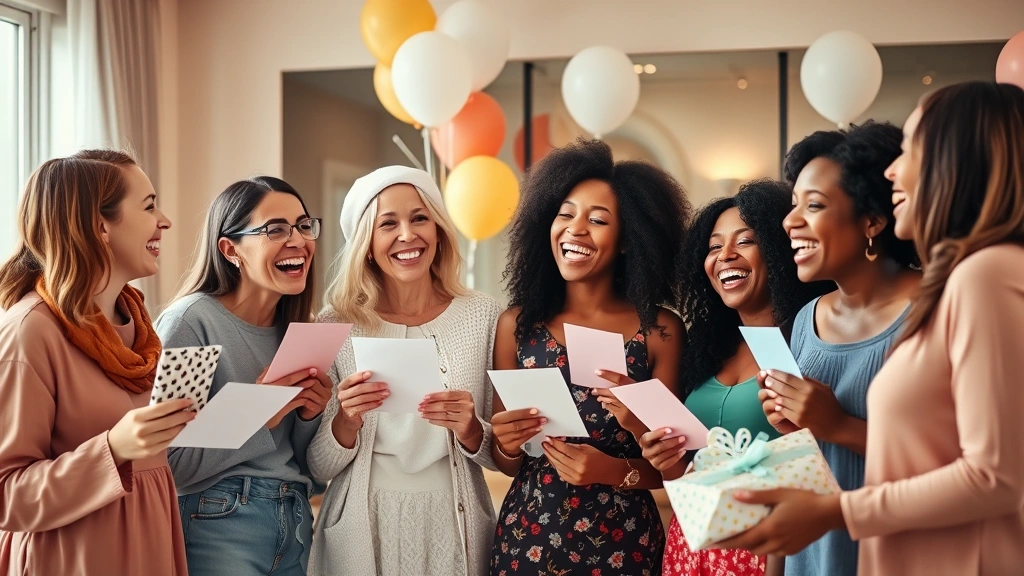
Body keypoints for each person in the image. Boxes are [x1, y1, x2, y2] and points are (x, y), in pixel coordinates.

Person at [718, 81, 1024, 576]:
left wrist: (838, 463)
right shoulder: (809, 320)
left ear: (958, 162)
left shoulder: (976, 280)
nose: (893, 170)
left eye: (915, 148)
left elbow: (992, 475)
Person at [489, 138, 690, 576]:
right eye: (565, 214)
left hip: (625, 543)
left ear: (627, 241)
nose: (575, 229)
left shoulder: (659, 332)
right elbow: (508, 463)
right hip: (528, 539)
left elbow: (676, 466)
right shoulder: (517, 326)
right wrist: (505, 442)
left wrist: (613, 470)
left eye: (597, 220)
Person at [0, 150, 190, 574]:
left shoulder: (140, 329)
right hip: (73, 561)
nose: (165, 220)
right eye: (149, 206)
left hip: (149, 550)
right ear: (99, 225)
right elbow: (6, 493)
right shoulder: (29, 333)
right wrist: (112, 449)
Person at [306, 166, 501, 576]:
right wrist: (347, 418)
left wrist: (471, 430)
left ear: (439, 231)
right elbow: (319, 468)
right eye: (388, 224)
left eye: (419, 218)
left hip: (455, 520)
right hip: (364, 520)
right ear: (368, 244)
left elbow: (503, 455)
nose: (407, 235)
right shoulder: (334, 323)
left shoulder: (483, 314)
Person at [637, 180, 831, 576]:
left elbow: (819, 466)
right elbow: (688, 475)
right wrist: (667, 462)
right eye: (713, 247)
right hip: (690, 551)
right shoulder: (706, 351)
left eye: (745, 242)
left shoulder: (809, 341)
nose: (725, 255)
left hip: (770, 552)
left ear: (778, 250)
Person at [755, 122, 921, 576]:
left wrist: (838, 426)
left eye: (814, 206)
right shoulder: (806, 324)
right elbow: (797, 460)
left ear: (872, 220)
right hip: (811, 559)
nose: (790, 222)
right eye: (793, 207)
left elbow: (964, 466)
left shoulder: (937, 310)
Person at [156, 176, 332, 576]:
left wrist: (308, 416)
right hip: (218, 520)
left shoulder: (296, 333)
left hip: (296, 518)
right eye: (275, 229)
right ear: (230, 249)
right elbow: (168, 463)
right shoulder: (191, 322)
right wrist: (258, 410)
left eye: (304, 226)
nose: (298, 240)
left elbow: (308, 470)